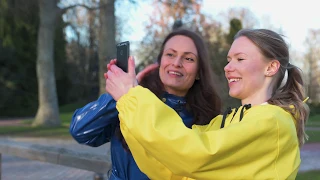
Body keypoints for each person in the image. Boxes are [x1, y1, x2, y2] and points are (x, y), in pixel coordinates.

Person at [105, 28, 310, 180]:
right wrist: (127, 106)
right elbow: (173, 168)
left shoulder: (272, 122)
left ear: (271, 67)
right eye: (229, 60)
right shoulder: (226, 121)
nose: (228, 67)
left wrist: (132, 97)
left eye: (240, 59)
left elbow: (195, 154)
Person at [69, 28, 222, 180]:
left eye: (188, 58)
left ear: (198, 72)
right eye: (170, 54)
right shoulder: (134, 102)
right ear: (159, 62)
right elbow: (80, 130)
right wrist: (120, 96)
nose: (176, 63)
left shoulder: (206, 121)